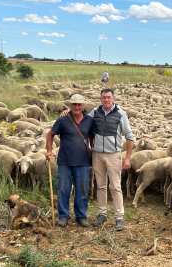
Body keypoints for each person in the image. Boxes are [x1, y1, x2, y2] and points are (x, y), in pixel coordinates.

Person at [46, 94, 94, 228]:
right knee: (63, 189)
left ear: (83, 106)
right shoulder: (63, 120)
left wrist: (93, 155)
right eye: (74, 104)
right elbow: (50, 135)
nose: (77, 107)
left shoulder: (89, 120)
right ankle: (63, 216)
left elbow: (91, 137)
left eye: (79, 105)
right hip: (64, 161)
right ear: (70, 105)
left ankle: (81, 216)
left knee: (82, 190)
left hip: (83, 162)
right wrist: (49, 151)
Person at [90, 88, 133, 231]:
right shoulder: (95, 113)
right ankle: (101, 214)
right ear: (100, 99)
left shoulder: (121, 114)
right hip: (97, 154)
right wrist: (67, 114)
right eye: (104, 97)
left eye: (109, 97)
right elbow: (81, 121)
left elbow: (129, 136)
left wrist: (127, 157)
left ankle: (119, 217)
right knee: (101, 185)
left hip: (113, 155)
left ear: (113, 98)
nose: (106, 100)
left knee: (115, 186)